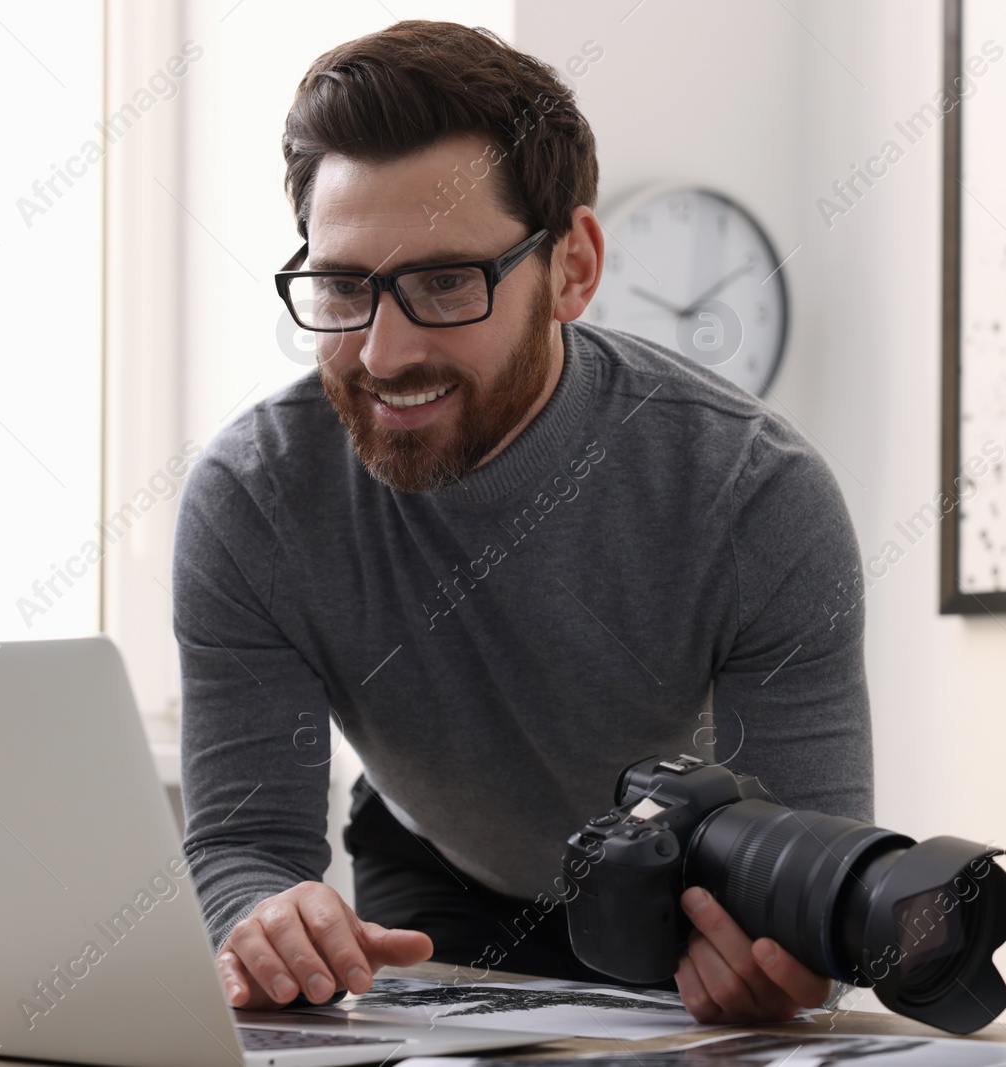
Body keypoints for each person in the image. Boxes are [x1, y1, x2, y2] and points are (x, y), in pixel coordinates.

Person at [173, 19, 871, 1027]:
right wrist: (262, 916)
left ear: (573, 268)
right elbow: (243, 849)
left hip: (686, 888)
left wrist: (797, 957)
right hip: (436, 871)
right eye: (341, 286)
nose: (382, 353)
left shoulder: (756, 495)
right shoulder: (252, 500)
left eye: (447, 281)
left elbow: (822, 866)